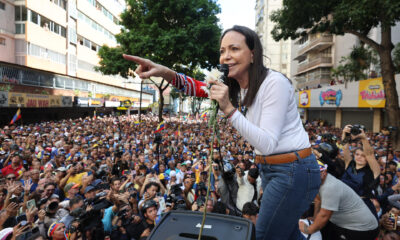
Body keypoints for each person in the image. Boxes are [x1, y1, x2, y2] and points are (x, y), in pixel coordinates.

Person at [124, 25, 321, 240]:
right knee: (288, 235)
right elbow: (198, 87)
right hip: (274, 169)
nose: (226, 57)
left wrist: (228, 108)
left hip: (293, 171)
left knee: (264, 236)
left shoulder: (274, 83)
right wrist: (163, 71)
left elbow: (267, 144)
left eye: (234, 49)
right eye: (222, 51)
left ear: (253, 54)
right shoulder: (240, 85)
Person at [299, 161, 379, 240]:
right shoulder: (319, 182)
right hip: (352, 223)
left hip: (360, 230)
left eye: (317, 172)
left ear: (324, 172)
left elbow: (324, 215)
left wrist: (308, 229)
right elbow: (318, 199)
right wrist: (315, 217)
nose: (313, 176)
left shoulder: (330, 187)